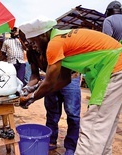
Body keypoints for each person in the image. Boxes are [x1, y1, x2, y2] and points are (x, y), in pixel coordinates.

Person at [18, 17, 122, 155]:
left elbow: (49, 83)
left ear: (43, 35)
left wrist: (32, 97)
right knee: (104, 125)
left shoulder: (54, 44)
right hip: (116, 67)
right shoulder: (61, 38)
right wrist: (35, 91)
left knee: (93, 125)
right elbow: (64, 79)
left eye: (34, 41)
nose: (33, 45)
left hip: (113, 68)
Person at [20, 23, 81, 154]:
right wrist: (26, 89)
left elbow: (64, 78)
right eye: (25, 42)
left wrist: (32, 97)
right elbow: (35, 75)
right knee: (52, 113)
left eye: (30, 40)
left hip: (70, 79)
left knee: (73, 114)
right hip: (49, 81)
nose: (28, 44)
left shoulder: (52, 45)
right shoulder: (31, 52)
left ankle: (71, 147)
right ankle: (51, 140)